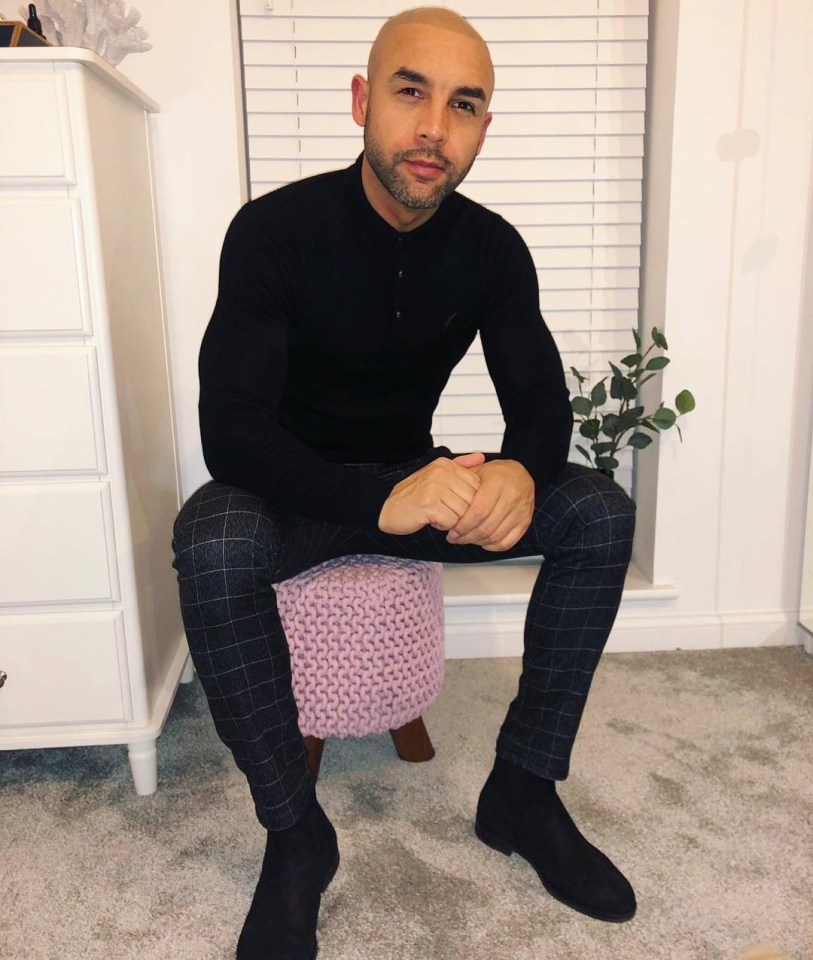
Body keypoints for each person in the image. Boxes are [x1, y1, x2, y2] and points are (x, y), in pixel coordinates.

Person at [172, 7, 637, 958]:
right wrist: (376, 499)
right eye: (410, 91)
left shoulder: (492, 249)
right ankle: (295, 836)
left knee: (597, 510)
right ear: (361, 102)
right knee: (210, 535)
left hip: (408, 484)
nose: (434, 127)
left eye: (462, 105)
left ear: (481, 129)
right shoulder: (271, 233)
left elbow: (540, 410)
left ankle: (523, 788)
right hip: (294, 499)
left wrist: (517, 470)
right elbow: (233, 433)